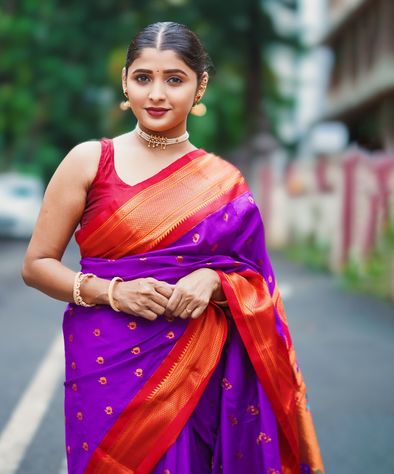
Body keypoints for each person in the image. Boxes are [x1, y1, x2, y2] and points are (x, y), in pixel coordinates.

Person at [21, 21, 324, 474]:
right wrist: (113, 292)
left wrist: (215, 281)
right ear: (125, 81)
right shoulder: (90, 161)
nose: (156, 94)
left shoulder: (223, 183)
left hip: (195, 369)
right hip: (105, 362)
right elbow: (37, 264)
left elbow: (257, 282)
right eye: (143, 78)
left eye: (174, 79)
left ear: (200, 86)